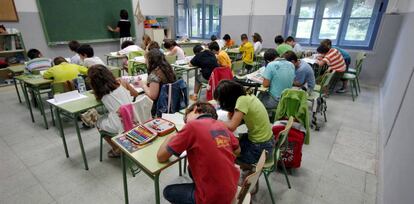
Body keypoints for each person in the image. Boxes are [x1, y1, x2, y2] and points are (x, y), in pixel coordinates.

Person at [158, 102, 240, 204]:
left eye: (186, 119)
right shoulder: (222, 125)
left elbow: (161, 157)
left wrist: (170, 137)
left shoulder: (192, 126)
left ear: (196, 109)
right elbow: (237, 150)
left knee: (168, 191)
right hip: (232, 188)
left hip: (214, 198)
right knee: (190, 168)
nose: (185, 122)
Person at [213, 80, 273, 171]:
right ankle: (247, 169)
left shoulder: (242, 101)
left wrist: (214, 121)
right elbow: (247, 119)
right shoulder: (247, 95)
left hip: (260, 147)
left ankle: (248, 170)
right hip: (268, 141)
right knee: (236, 142)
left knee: (226, 154)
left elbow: (232, 126)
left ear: (228, 98)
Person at [88, 64, 139, 158]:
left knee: (98, 122)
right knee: (108, 117)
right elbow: (135, 94)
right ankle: (121, 144)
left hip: (120, 123)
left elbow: (100, 99)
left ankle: (116, 149)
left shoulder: (100, 92)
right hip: (135, 118)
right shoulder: (122, 82)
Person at [135, 49, 176, 116]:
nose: (145, 61)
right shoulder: (168, 69)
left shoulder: (154, 75)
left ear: (151, 61)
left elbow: (153, 96)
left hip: (160, 106)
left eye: (146, 59)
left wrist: (143, 85)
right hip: (171, 100)